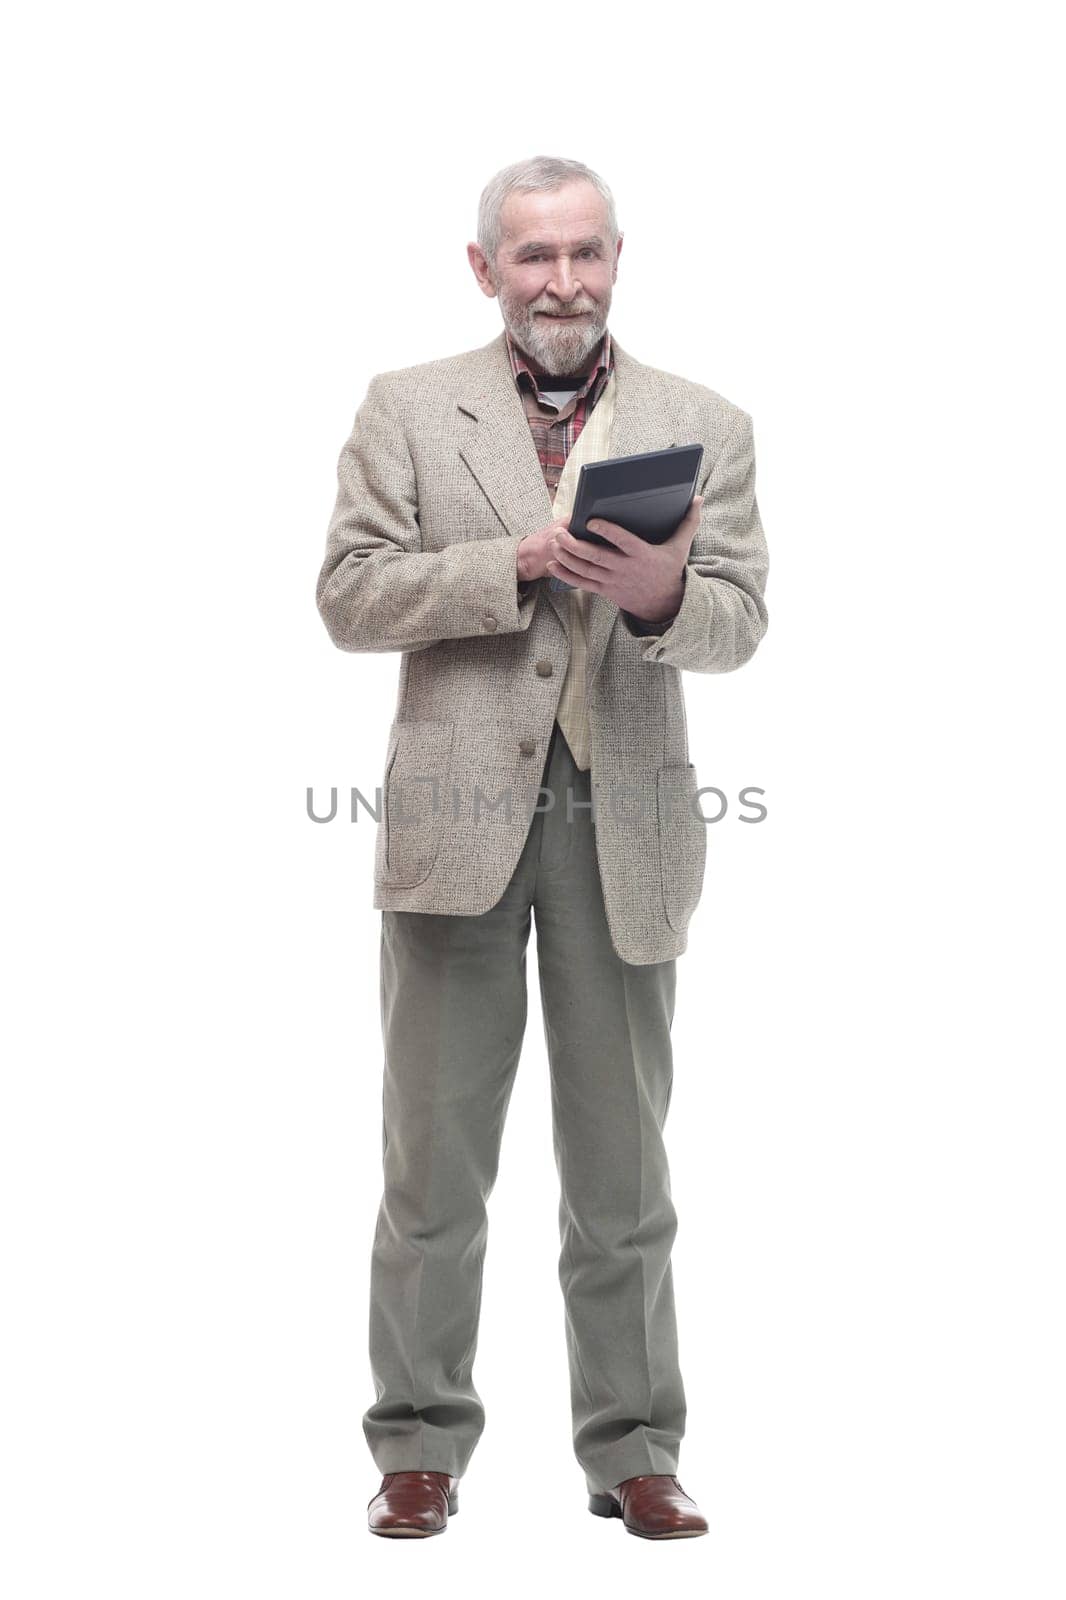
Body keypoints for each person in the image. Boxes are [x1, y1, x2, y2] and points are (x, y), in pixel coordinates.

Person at [315, 154, 769, 1540]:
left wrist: (659, 597)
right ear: (484, 269)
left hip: (621, 829)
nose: (560, 281)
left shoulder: (705, 421)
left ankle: (634, 1448)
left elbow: (740, 621)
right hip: (454, 827)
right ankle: (417, 1445)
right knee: (433, 1166)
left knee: (624, 1173)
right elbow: (346, 596)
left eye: (583, 254)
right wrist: (506, 564)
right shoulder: (406, 408)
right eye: (532, 257)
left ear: (617, 257)